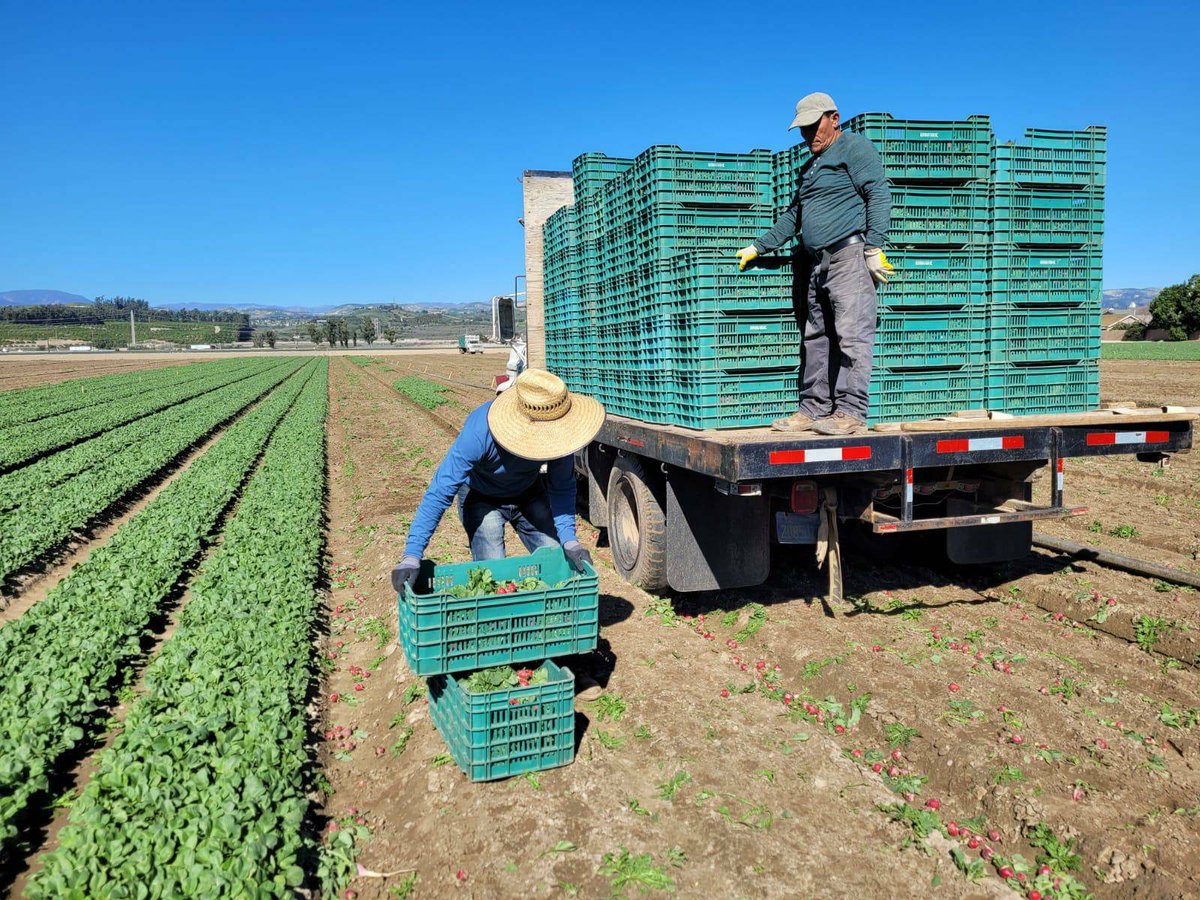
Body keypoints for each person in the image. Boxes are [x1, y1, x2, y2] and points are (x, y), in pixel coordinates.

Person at [735, 92, 893, 436]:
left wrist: (874, 247)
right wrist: (758, 246)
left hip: (848, 256)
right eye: (803, 130)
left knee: (852, 337)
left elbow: (878, 193)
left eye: (813, 126)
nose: (809, 135)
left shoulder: (855, 148)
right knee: (816, 337)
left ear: (833, 118)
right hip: (815, 264)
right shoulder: (809, 168)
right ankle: (813, 409)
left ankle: (850, 412)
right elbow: (795, 215)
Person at [390, 369, 606, 594]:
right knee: (493, 578)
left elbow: (562, 486)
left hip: (528, 492)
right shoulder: (479, 432)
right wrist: (412, 555)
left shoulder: (559, 434)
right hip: (482, 497)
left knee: (554, 560)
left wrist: (570, 541)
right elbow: (440, 491)